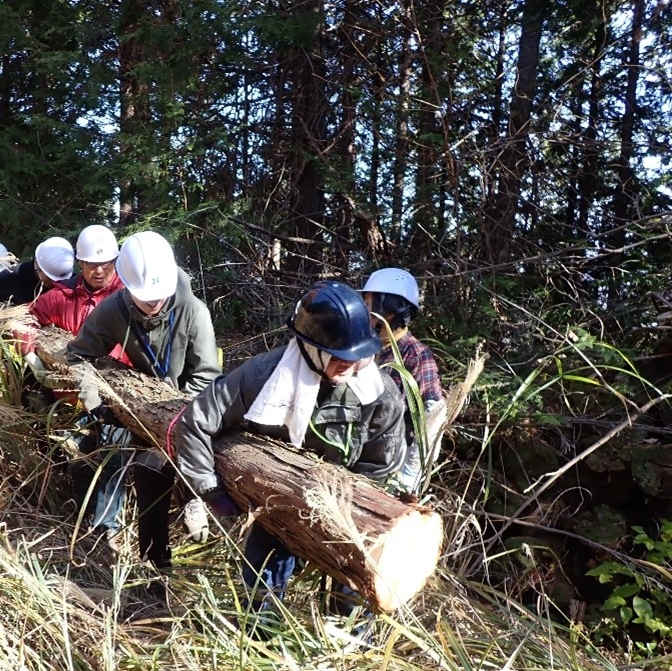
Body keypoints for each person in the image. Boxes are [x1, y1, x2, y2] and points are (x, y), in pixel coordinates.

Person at [174, 280, 406, 630]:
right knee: (260, 578)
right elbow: (194, 422)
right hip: (277, 501)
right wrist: (210, 491)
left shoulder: (379, 395)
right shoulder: (262, 376)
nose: (349, 364)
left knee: (357, 590)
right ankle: (259, 639)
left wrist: (352, 514)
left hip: (348, 512)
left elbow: (382, 465)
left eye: (355, 356)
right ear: (310, 348)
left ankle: (350, 649)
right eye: (339, 356)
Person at [67, 231, 222, 580]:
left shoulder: (193, 311)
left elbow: (208, 376)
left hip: (191, 415)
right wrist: (96, 400)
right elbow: (77, 355)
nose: (153, 304)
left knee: (196, 485)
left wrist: (178, 417)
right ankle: (156, 578)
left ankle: (192, 503)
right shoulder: (114, 309)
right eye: (143, 297)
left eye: (158, 297)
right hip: (145, 415)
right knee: (150, 492)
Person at [26, 225, 128, 551]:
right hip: (71, 400)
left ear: (116, 260)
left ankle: (107, 531)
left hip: (117, 399)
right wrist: (30, 351)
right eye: (91, 264)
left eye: (106, 263)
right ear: (79, 264)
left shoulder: (128, 295)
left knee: (112, 462)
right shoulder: (61, 296)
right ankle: (84, 524)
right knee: (80, 462)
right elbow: (27, 319)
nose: (99, 270)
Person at [359, 268, 445, 494]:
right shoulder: (359, 344)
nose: (363, 310)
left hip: (388, 461)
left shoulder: (415, 355)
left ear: (387, 310)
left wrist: (410, 473)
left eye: (368, 305)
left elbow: (433, 415)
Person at [0, 236, 75, 311]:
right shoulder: (14, 275)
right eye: (49, 278)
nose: (55, 283)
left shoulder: (75, 284)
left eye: (59, 280)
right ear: (36, 264)